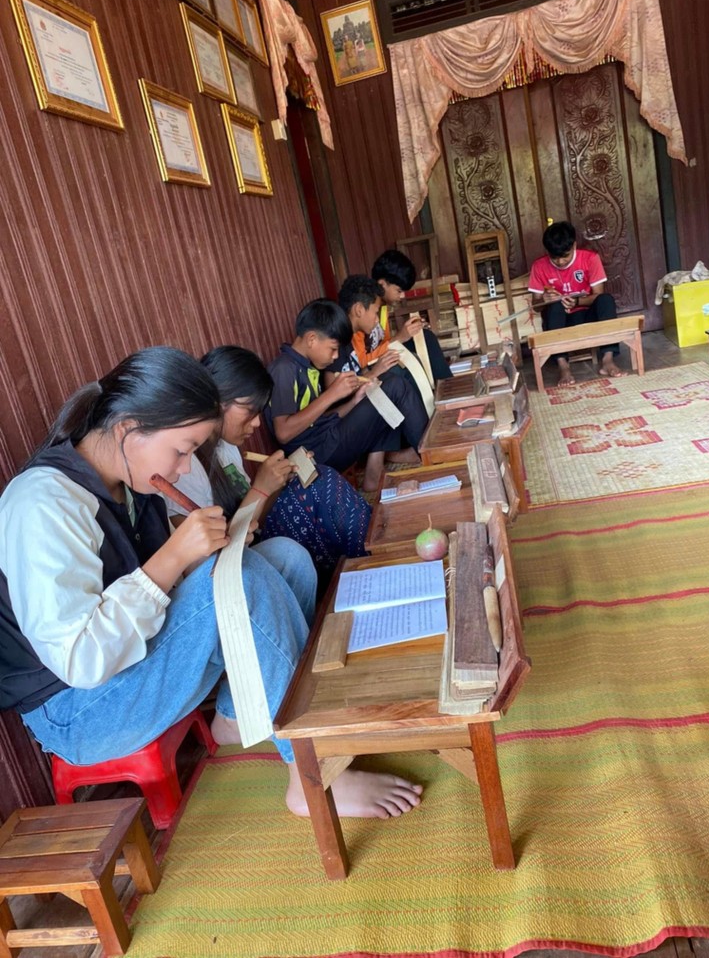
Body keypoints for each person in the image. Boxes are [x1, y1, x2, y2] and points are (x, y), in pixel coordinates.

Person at [0, 346, 422, 820]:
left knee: (286, 558)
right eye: (181, 451)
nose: (184, 468)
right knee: (241, 579)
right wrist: (173, 559)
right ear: (128, 430)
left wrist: (192, 555)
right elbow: (79, 660)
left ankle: (239, 714)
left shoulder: (130, 483)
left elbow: (165, 590)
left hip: (131, 672)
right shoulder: (42, 503)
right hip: (78, 711)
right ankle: (311, 775)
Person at [164, 345, 372, 595]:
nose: (256, 422)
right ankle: (366, 564)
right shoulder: (183, 469)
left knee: (315, 480)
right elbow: (204, 562)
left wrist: (278, 481)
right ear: (217, 402)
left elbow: (255, 521)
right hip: (224, 566)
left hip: (250, 541)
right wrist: (261, 489)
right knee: (317, 490)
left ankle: (362, 566)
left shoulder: (225, 447)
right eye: (249, 411)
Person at [266, 299, 426, 491]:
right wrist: (332, 394)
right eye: (333, 349)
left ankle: (375, 474)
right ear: (311, 339)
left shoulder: (305, 366)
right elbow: (283, 433)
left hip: (326, 438)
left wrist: (355, 400)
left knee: (381, 391)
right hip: (315, 455)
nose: (335, 357)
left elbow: (314, 419)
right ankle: (429, 453)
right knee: (394, 386)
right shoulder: (284, 369)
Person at [528, 221, 624, 387]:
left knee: (606, 300)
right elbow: (535, 306)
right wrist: (543, 299)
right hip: (561, 320)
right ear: (547, 252)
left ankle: (607, 361)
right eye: (554, 257)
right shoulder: (539, 266)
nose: (560, 262)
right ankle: (563, 367)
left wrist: (577, 301)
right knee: (555, 306)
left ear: (574, 245)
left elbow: (597, 295)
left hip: (587, 315)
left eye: (565, 255)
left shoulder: (590, 259)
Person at [327, 275, 436, 421]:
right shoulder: (337, 343)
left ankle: (432, 412)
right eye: (375, 312)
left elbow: (361, 368)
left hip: (362, 395)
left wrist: (373, 371)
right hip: (348, 413)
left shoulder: (349, 337)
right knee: (395, 380)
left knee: (404, 364)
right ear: (359, 310)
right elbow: (334, 393)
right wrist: (375, 371)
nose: (377, 318)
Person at [367, 249, 453, 382]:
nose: (401, 296)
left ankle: (448, 387)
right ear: (382, 284)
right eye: (399, 291)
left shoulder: (383, 308)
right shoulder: (364, 311)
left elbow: (384, 344)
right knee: (404, 372)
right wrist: (400, 337)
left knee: (425, 337)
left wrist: (410, 332)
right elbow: (365, 360)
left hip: (382, 356)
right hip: (373, 368)